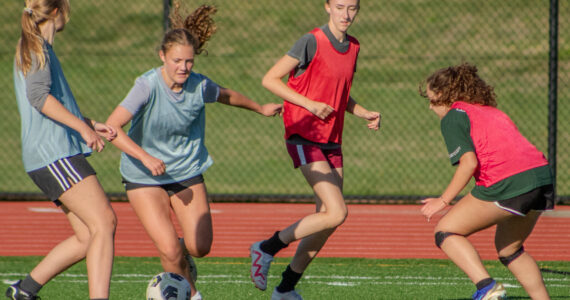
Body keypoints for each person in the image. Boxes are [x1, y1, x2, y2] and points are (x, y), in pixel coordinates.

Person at [105, 1, 282, 299]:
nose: (183, 67)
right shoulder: (146, 86)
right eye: (176, 61)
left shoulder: (199, 87)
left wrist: (260, 107)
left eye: (189, 61)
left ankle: (181, 260)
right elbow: (113, 128)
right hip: (143, 175)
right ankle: (191, 292)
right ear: (162, 56)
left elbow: (226, 95)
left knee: (200, 247)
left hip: (186, 171)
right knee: (170, 249)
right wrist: (146, 158)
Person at [250, 0, 380, 299]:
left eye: (352, 8)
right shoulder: (311, 41)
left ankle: (285, 289)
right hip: (304, 135)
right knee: (337, 212)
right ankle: (266, 248)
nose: (346, 14)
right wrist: (307, 103)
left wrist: (363, 113)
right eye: (339, 7)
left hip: (332, 140)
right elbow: (270, 79)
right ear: (327, 7)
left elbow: (339, 94)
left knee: (327, 218)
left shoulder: (354, 47)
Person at [7, 1, 118, 300]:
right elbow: (39, 98)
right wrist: (82, 130)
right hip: (54, 154)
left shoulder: (39, 47)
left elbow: (55, 105)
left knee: (87, 236)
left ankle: (24, 290)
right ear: (58, 11)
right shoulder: (36, 47)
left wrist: (90, 124)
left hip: (50, 154)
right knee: (104, 222)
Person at [419, 63, 554, 300]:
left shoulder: (453, 116)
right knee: (509, 250)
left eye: (432, 100)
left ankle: (486, 286)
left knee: (445, 231)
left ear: (445, 95)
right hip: (541, 177)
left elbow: (469, 163)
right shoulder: (490, 111)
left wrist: (443, 200)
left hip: (508, 182)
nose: (430, 107)